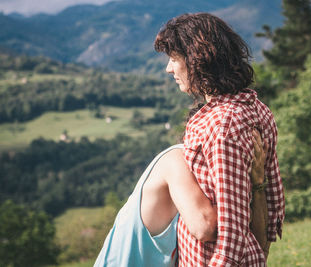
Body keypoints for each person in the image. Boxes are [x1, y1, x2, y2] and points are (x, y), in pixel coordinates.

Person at [154, 12, 285, 266]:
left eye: (173, 58)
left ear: (196, 60)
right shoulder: (255, 108)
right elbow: (264, 197)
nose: (169, 68)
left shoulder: (223, 126)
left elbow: (231, 232)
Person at [94, 132, 269, 266]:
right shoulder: (175, 160)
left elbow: (258, 248)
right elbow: (205, 228)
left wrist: (258, 184)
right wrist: (240, 194)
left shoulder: (209, 187)